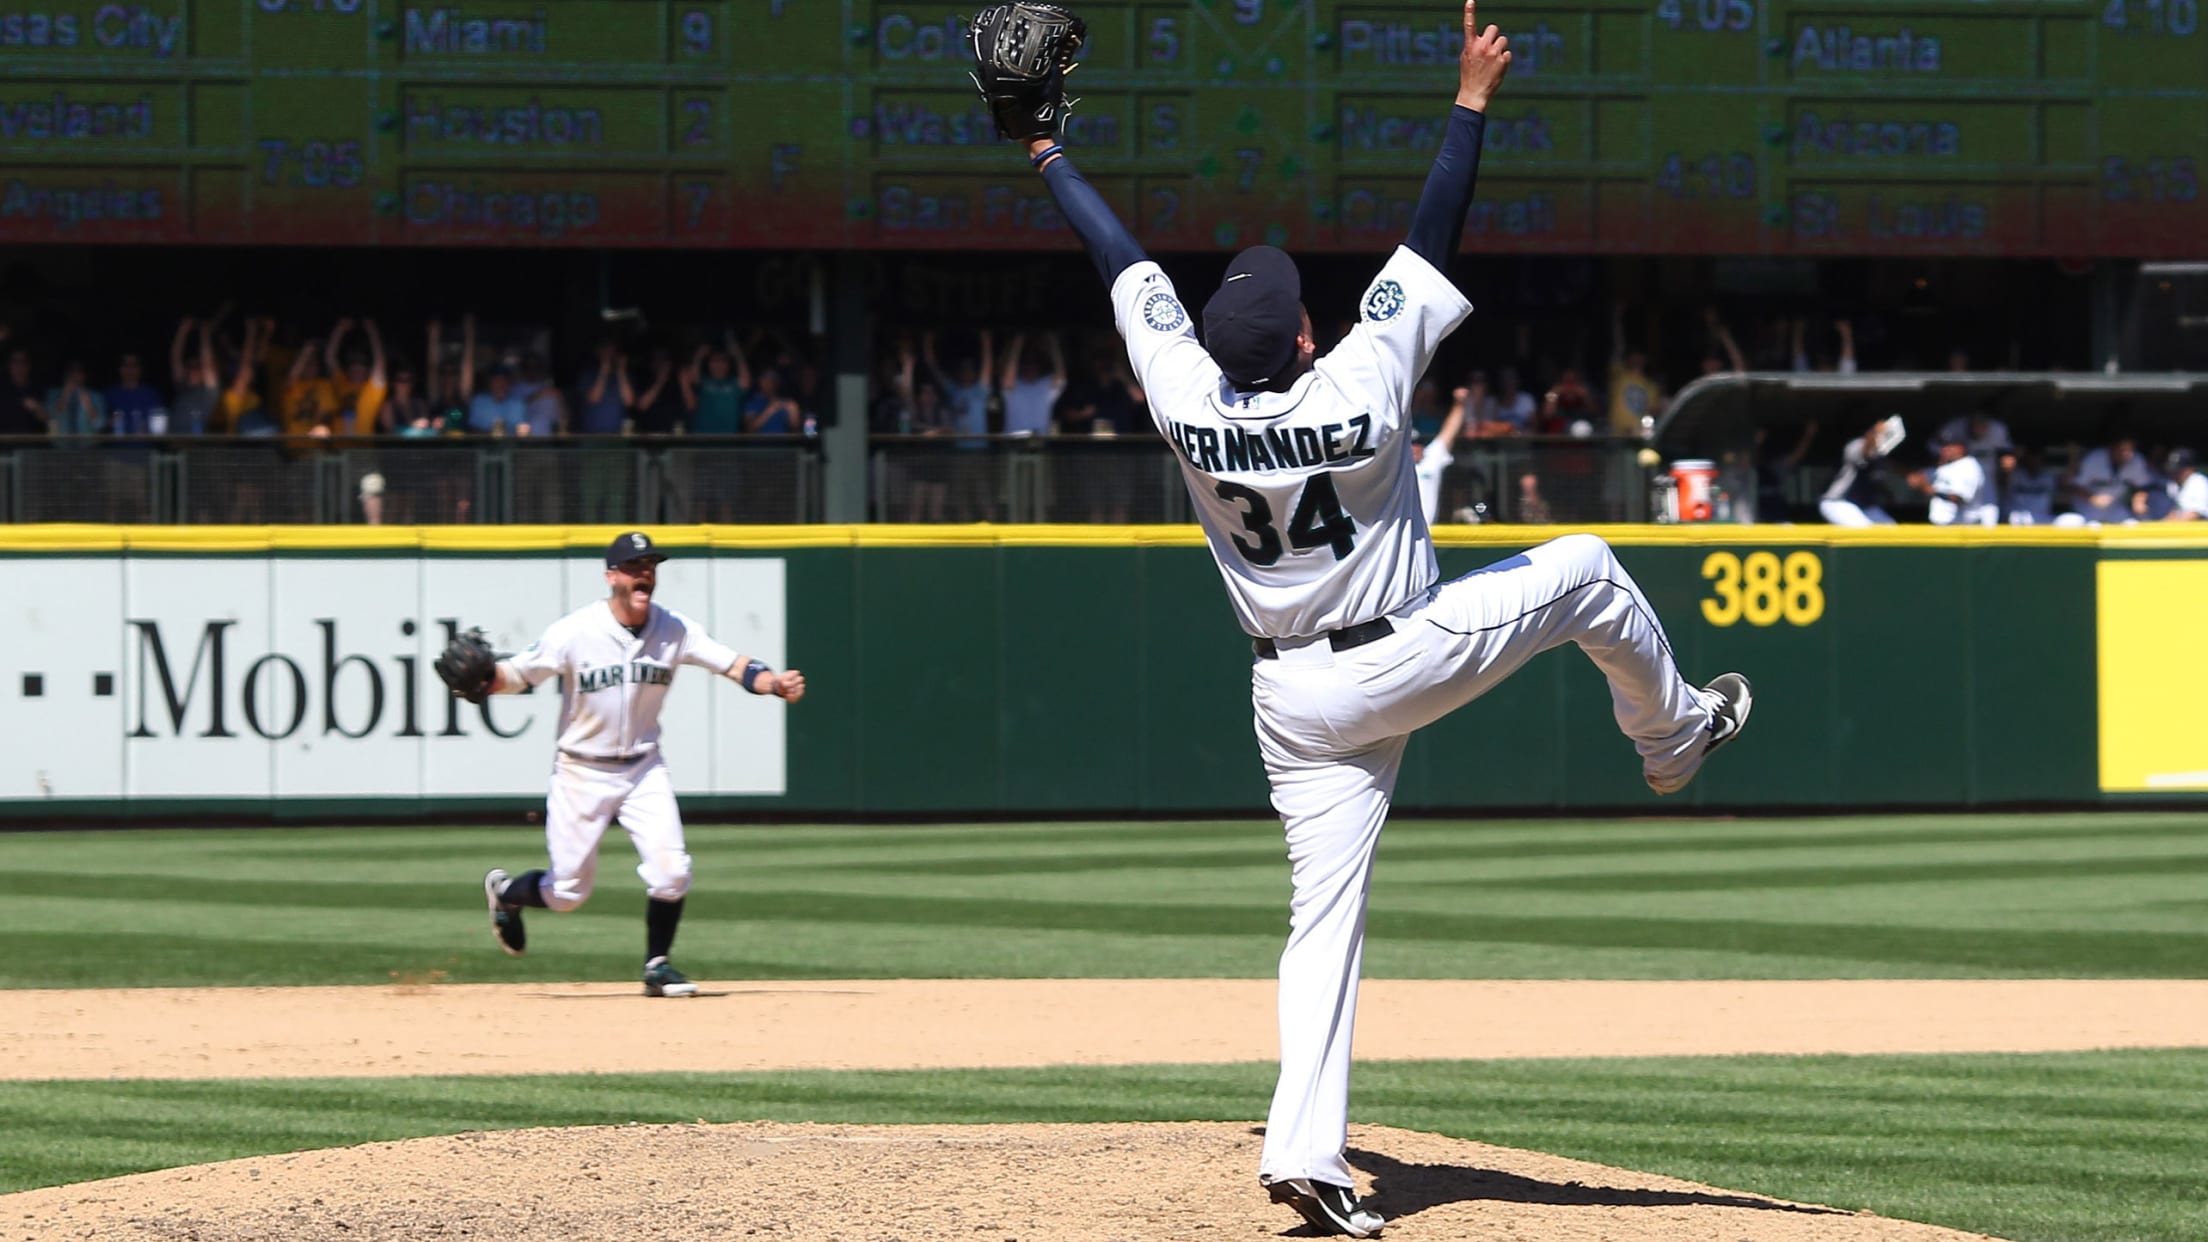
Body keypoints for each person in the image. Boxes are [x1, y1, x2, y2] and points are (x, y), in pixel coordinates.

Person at [985, 4, 1750, 1233]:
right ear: (1300, 334)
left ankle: (1309, 1155)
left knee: (1321, 922)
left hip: (1286, 698)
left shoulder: (1185, 400)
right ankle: (1673, 741)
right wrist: (1470, 99)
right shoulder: (1359, 381)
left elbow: (1120, 264)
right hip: (1399, 651)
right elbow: (1433, 235)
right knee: (1592, 566)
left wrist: (1044, 156)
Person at [464, 532, 806, 996]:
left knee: (672, 872)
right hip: (581, 771)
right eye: (633, 566)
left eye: (650, 565)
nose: (644, 573)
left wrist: (774, 683)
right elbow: (520, 674)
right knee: (567, 895)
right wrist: (484, 682)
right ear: (612, 576)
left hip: (644, 767)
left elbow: (734, 664)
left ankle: (658, 966)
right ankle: (506, 895)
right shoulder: (574, 631)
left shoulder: (674, 629)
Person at [1820, 418, 1900, 526]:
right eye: (1878, 433)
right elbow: (1864, 455)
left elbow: (1876, 479)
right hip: (1837, 502)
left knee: (1890, 528)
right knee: (1864, 529)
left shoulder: (1879, 454)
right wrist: (1875, 433)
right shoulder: (1856, 445)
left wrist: (1887, 493)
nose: (1882, 436)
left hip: (1864, 506)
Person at [1907, 433, 1995, 526]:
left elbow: (1957, 498)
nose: (1945, 449)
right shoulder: (1946, 466)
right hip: (1944, 525)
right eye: (1944, 445)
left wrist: (1928, 488)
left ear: (1961, 448)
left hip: (1964, 527)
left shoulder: (1969, 467)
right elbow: (1920, 476)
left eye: (1950, 446)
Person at [2067, 434, 2155, 524]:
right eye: (2123, 450)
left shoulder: (2136, 460)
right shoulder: (2094, 459)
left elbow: (2143, 485)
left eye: (2131, 450)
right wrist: (2092, 498)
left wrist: (2139, 500)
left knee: (2131, 525)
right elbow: (2072, 486)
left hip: (2114, 506)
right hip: (2087, 507)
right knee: (2089, 527)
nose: (2128, 454)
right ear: (2112, 449)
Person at [1415, 384, 1467, 525]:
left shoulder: (1430, 457)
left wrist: (1459, 404)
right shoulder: (1397, 461)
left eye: (1419, 443)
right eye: (1412, 443)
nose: (1416, 447)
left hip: (1428, 530)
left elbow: (1449, 432)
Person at [998, 331, 1066, 436]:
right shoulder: (1014, 384)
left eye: (1033, 364)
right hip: (1014, 444)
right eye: (1027, 363)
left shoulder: (1045, 385)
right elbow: (1008, 374)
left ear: (1039, 366)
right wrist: (1018, 343)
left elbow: (1061, 376)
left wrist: (1053, 343)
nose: (1030, 367)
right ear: (1021, 366)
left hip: (1039, 443)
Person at [168, 315, 221, 435]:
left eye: (197, 366)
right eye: (190, 366)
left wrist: (204, 334)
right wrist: (183, 330)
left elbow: (207, 363)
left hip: (197, 443)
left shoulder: (209, 392)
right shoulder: (182, 388)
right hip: (174, 441)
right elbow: (175, 358)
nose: (193, 369)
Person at [104, 352, 167, 435]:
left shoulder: (151, 394)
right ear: (119, 369)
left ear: (140, 369)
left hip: (146, 447)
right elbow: (98, 425)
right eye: (125, 365)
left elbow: (161, 429)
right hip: (115, 446)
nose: (130, 369)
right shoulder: (109, 394)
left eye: (134, 365)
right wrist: (107, 423)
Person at [1999, 447, 2061, 525]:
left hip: (2043, 519)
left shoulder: (2048, 477)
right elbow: (2002, 482)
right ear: (2026, 459)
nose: (2034, 462)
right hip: (2017, 519)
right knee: (2018, 518)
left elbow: (2068, 483)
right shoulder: (2015, 475)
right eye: (2032, 458)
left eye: (2038, 458)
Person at [2161, 448, 2206, 521]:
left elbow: (2195, 514)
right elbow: (2173, 514)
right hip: (2184, 529)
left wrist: (2168, 527)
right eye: (2173, 471)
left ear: (2190, 468)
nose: (2175, 474)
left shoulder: (2199, 483)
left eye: (2178, 471)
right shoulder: (2175, 485)